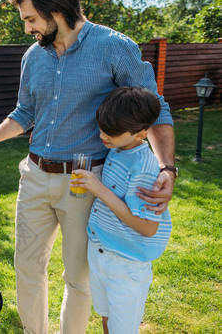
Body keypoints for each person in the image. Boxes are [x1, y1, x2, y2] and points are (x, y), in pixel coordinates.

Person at [0, 0, 177, 334]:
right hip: (34, 177)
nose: (28, 28)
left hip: (84, 181)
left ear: (55, 9)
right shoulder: (34, 56)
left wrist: (166, 169)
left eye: (30, 19)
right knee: (27, 268)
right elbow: (24, 113)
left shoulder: (115, 48)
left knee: (78, 277)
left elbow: (156, 109)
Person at [71, 87, 172, 334]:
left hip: (126, 264)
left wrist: (99, 190)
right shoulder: (118, 148)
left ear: (141, 134)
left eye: (112, 133)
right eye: (103, 128)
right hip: (101, 251)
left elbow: (147, 227)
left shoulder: (144, 168)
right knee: (107, 319)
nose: (103, 136)